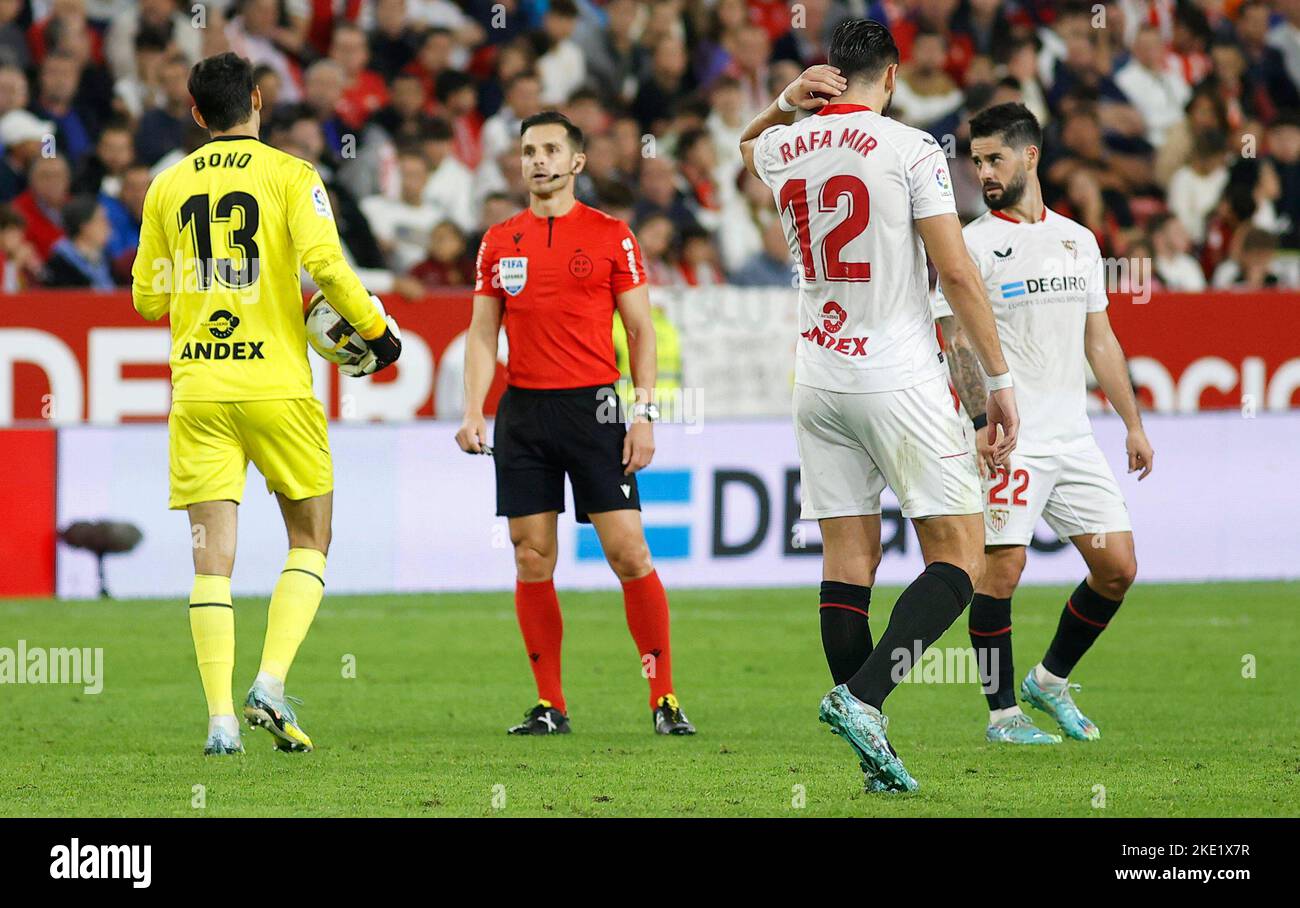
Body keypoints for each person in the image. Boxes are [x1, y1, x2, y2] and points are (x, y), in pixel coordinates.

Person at [740, 19, 1019, 793]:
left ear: (830, 74)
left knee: (848, 561)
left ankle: (872, 752)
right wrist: (998, 382)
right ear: (891, 76)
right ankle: (864, 698)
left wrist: (781, 103)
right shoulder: (911, 150)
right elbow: (956, 272)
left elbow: (746, 151)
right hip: (895, 374)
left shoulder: (788, 144)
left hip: (819, 377)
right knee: (961, 557)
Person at [130, 52, 402, 757]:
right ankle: (270, 683)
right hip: (277, 386)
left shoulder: (166, 187)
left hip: (199, 390)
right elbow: (329, 269)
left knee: (210, 563)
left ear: (195, 113)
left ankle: (220, 720)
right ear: (258, 101)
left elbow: (147, 298)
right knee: (310, 540)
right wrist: (377, 332)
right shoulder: (292, 175)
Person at [456, 110, 696, 737]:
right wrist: (471, 408)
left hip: (595, 408)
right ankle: (550, 705)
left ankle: (664, 698)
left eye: (551, 150)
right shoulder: (498, 240)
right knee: (532, 556)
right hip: (524, 412)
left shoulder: (612, 234)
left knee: (629, 552)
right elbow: (483, 335)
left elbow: (640, 331)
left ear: (576, 162)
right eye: (529, 149)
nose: (538, 160)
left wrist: (643, 415)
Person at [934, 103, 1153, 746]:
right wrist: (981, 420)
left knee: (1117, 568)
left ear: (1031, 155)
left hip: (1073, 435)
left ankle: (1049, 681)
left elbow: (1101, 340)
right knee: (1002, 570)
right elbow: (954, 340)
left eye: (994, 158)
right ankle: (1003, 716)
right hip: (1012, 437)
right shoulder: (971, 244)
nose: (983, 172)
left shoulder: (1078, 239)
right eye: (976, 161)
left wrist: (1133, 424)